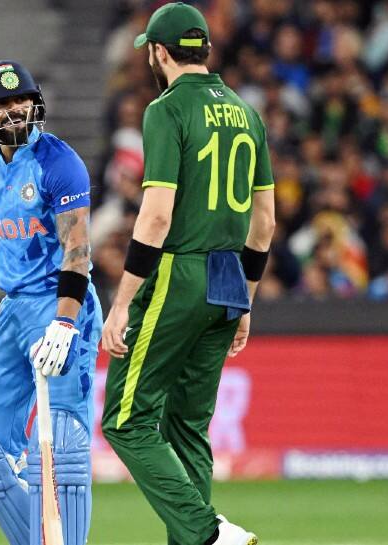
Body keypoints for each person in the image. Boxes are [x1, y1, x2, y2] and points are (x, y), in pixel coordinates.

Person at [99, 4, 275, 545]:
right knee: (187, 428)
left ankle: (205, 532)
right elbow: (263, 226)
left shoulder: (166, 109)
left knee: (125, 420)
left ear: (158, 51)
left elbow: (155, 216)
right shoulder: (248, 113)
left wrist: (124, 300)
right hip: (227, 278)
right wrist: (243, 299)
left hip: (180, 272)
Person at [0, 59, 102, 545]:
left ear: (35, 102)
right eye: (1, 105)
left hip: (62, 304)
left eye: (20, 100)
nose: (14, 112)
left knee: (62, 447)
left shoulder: (60, 163)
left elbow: (78, 253)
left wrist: (65, 324)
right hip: (15, 310)